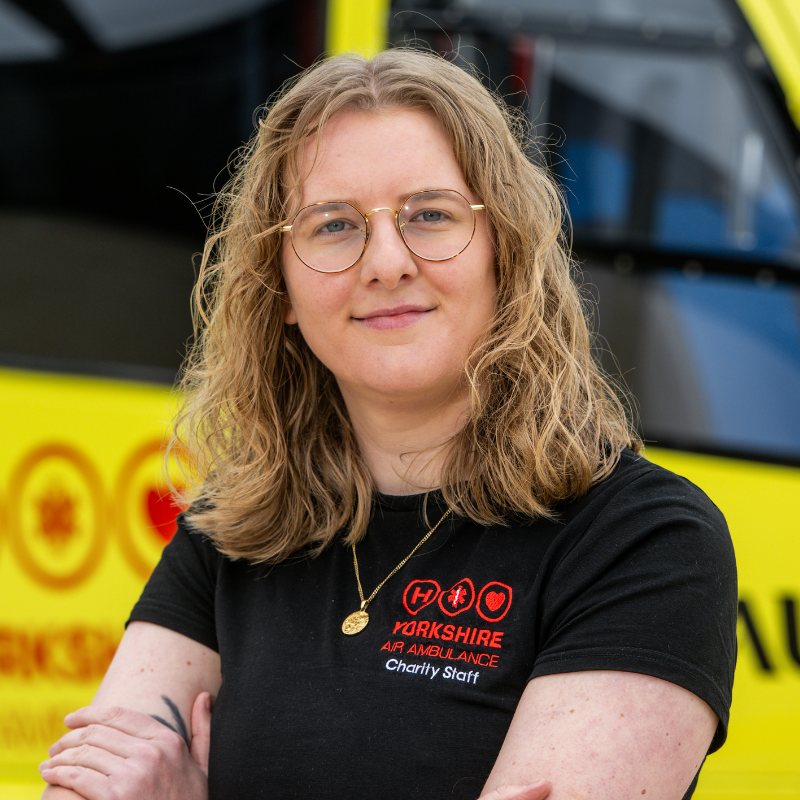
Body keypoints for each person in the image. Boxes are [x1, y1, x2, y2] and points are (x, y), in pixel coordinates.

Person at [39, 49, 737, 800]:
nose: (386, 262)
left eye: (430, 215)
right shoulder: (230, 535)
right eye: (333, 225)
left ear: (507, 251)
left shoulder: (645, 542)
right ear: (279, 286)